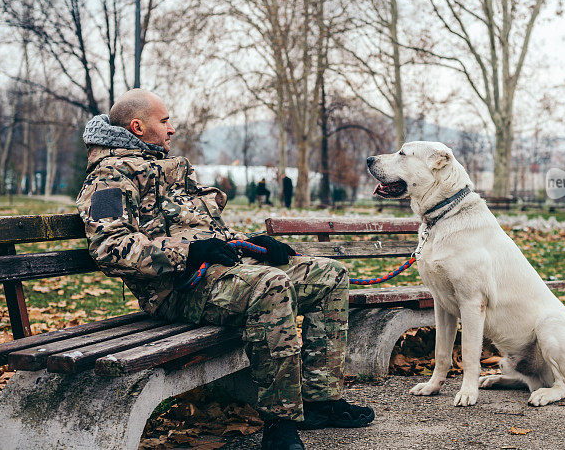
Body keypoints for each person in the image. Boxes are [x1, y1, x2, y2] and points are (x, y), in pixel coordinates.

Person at [75, 89, 373, 450]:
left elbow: (207, 230)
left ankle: (321, 400)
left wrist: (253, 242)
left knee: (328, 275)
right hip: (175, 291)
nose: (172, 129)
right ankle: (279, 423)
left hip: (222, 275)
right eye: (164, 121)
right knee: (271, 286)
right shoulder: (109, 178)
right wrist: (189, 252)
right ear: (138, 126)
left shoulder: (170, 169)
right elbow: (111, 248)